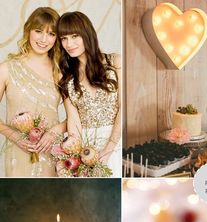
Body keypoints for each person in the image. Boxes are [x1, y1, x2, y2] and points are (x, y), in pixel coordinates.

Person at [0, 7, 66, 177]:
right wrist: (15, 136)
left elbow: (78, 115)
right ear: (28, 30)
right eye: (38, 31)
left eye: (51, 34)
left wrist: (56, 131)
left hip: (52, 150)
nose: (44, 39)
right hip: (18, 152)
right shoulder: (7, 69)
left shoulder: (60, 72)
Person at [57, 11, 121, 177]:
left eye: (74, 36)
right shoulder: (66, 76)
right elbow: (74, 121)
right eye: (64, 38)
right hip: (86, 147)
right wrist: (73, 157)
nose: (69, 43)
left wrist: (109, 147)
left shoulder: (115, 62)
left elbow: (124, 108)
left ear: (87, 34)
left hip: (117, 139)